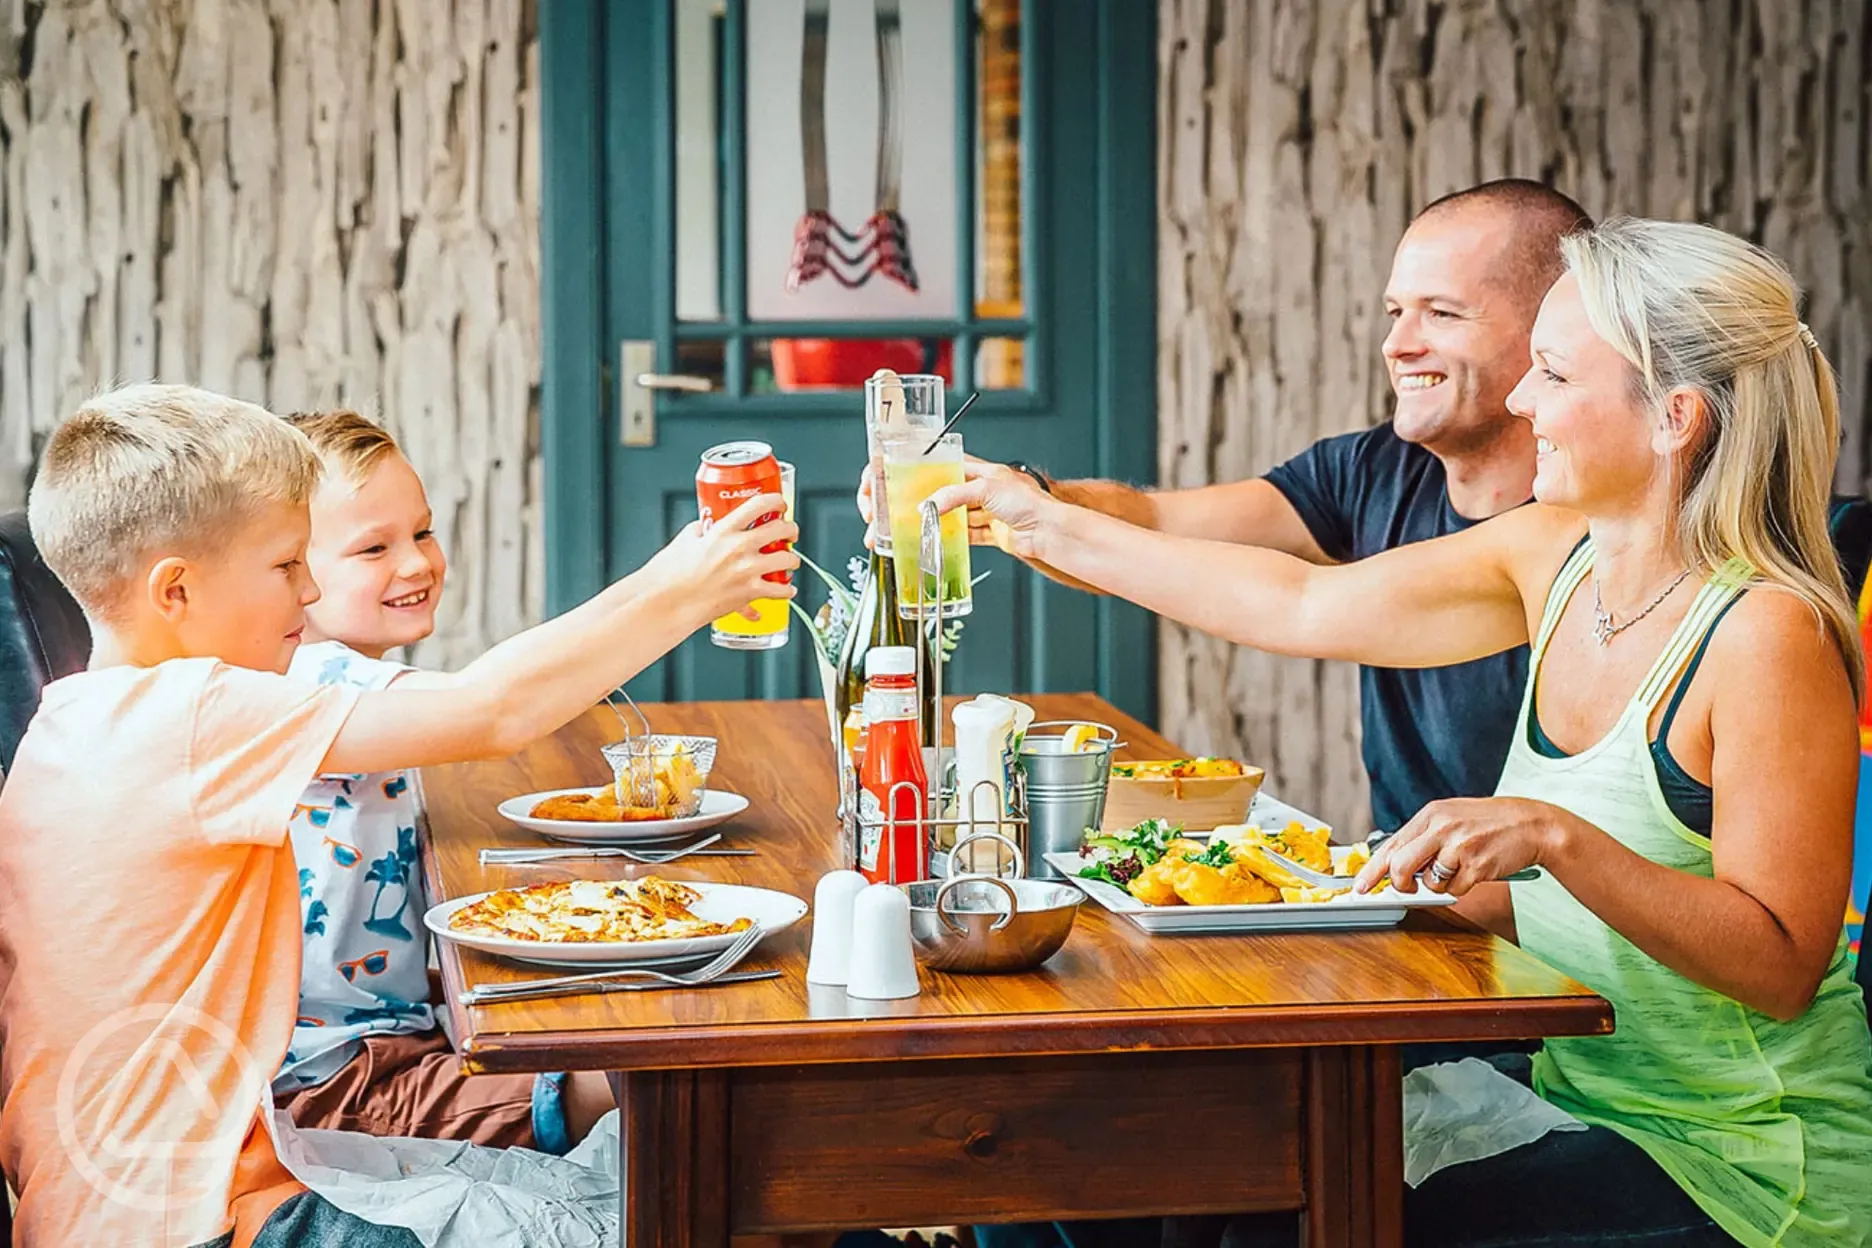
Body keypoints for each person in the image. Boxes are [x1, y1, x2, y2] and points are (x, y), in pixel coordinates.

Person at [935, 218, 1872, 1246]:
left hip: (1741, 1161)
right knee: (1228, 1178)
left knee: (1299, 1216)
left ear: (1674, 418)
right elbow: (1300, 603)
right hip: (1575, 1093)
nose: (1522, 400)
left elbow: (1781, 962)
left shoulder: (1764, 632)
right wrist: (1032, 519)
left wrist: (1553, 838)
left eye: (1555, 374)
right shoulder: (1557, 557)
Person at [0, 385, 795, 1247]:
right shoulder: (192, 715)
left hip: (172, 1182)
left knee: (653, 1179)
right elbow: (493, 711)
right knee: (677, 1204)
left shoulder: (73, 721)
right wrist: (686, 583)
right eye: (285, 566)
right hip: (190, 1223)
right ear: (176, 590)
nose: (309, 590)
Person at [867, 178, 1592, 836]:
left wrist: (1041, 520)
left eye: (1442, 313)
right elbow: (1153, 525)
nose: (1396, 344)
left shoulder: (1583, 529)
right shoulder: (1371, 468)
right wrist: (1018, 504)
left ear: (1551, 331)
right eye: (1396, 312)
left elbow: (1301, 605)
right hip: (1412, 890)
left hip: (1517, 916)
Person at [267, 410, 609, 1154]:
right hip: (331, 1081)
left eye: (422, 533)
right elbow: (495, 709)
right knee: (641, 1075)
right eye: (374, 547)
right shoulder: (306, 685)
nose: (418, 563)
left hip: (396, 1026)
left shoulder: (348, 677)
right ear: (293, 570)